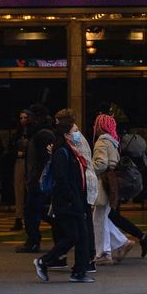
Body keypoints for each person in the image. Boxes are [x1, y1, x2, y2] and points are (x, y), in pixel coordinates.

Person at [34, 109, 95, 283]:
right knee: (74, 236)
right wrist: (74, 200)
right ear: (68, 132)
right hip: (68, 201)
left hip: (74, 200)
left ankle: (78, 271)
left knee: (79, 235)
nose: (77, 135)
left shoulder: (71, 151)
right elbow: (62, 179)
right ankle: (45, 261)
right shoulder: (62, 152)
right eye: (74, 131)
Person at [90, 113, 134, 264]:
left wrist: (88, 168)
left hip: (103, 183)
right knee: (101, 216)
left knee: (98, 218)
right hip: (112, 182)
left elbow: (101, 164)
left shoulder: (101, 142)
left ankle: (103, 253)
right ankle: (122, 243)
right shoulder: (113, 142)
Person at [15, 105, 56, 252]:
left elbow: (44, 160)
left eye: (31, 116)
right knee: (38, 210)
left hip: (39, 181)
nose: (28, 119)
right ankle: (34, 239)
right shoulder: (40, 133)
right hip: (38, 180)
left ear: (38, 118)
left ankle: (33, 241)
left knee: (32, 211)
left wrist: (37, 179)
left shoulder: (42, 134)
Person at [108, 120, 147, 256]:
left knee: (111, 215)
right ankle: (140, 238)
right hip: (130, 180)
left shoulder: (116, 145)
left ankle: (129, 241)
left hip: (121, 182)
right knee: (112, 215)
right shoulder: (129, 145)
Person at [10, 109, 30, 231]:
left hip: (30, 163)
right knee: (19, 190)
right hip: (19, 161)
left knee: (29, 191)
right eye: (21, 118)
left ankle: (29, 218)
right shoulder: (17, 133)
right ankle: (18, 217)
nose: (23, 120)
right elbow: (10, 147)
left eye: (25, 118)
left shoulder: (33, 132)